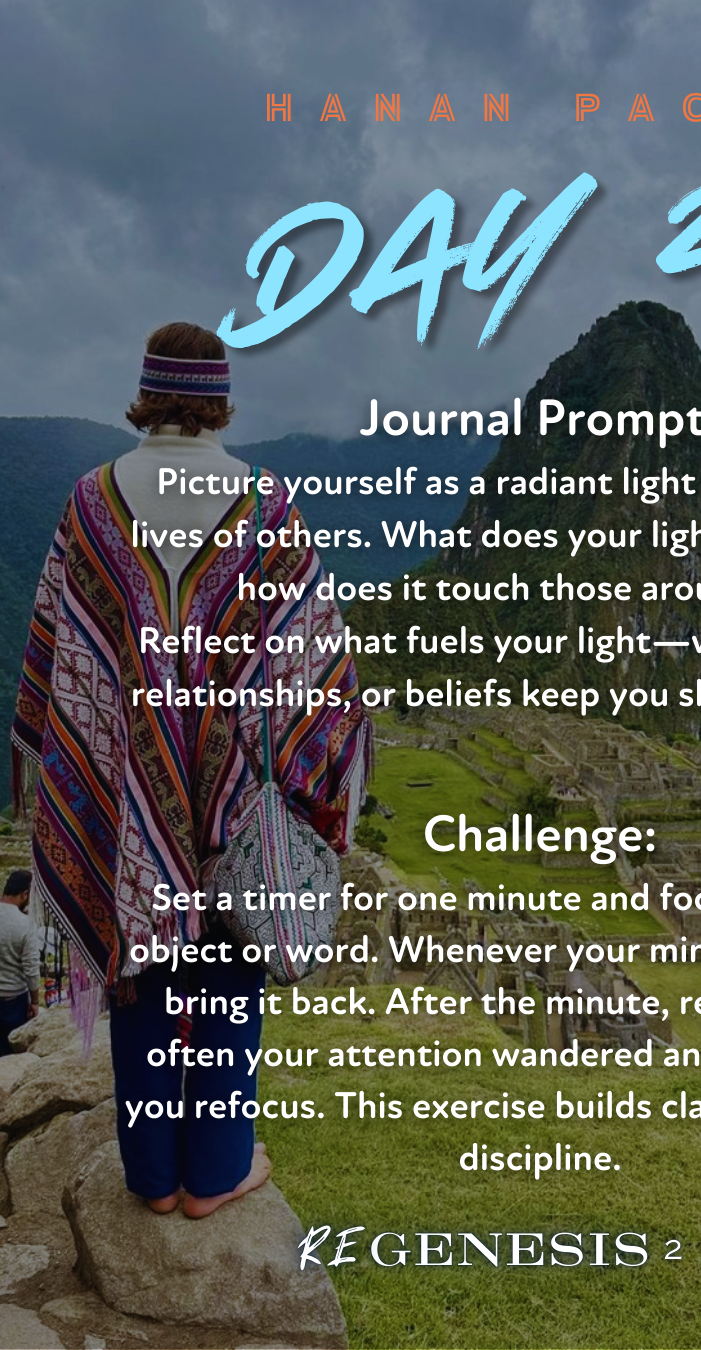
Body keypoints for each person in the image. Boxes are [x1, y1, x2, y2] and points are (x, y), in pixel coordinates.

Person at [11, 323, 371, 1217]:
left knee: (138, 972)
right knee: (228, 977)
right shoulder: (267, 508)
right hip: (235, 803)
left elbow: (57, 664)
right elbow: (319, 677)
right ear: (219, 400)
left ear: (147, 395)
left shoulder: (91, 504)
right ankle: (213, 1174)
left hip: (124, 800)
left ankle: (151, 1178)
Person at [0, 869, 39, 1054]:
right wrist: (35, 1001)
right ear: (25, 894)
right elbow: (31, 968)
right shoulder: (25, 924)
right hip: (13, 1002)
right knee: (11, 1057)